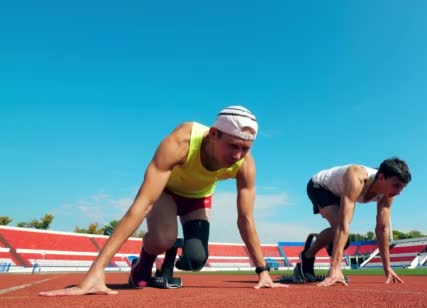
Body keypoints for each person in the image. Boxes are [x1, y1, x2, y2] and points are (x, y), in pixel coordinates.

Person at [40, 105, 287, 296]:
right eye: (233, 146)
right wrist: (96, 270)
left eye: (245, 149)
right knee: (162, 239)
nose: (237, 155)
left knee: (195, 259)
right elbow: (142, 204)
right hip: (166, 192)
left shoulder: (244, 165)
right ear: (213, 134)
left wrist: (262, 272)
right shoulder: (181, 141)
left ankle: (167, 258)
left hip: (198, 199)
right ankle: (144, 262)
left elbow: (245, 218)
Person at [297, 157, 411, 286]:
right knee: (340, 230)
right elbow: (342, 225)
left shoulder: (389, 193)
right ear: (381, 177)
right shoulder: (357, 177)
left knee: (342, 237)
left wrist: (387, 267)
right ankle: (307, 255)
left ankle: (328, 245)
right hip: (319, 187)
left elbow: (382, 228)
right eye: (396, 186)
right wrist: (335, 268)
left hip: (342, 192)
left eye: (403, 187)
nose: (398, 192)